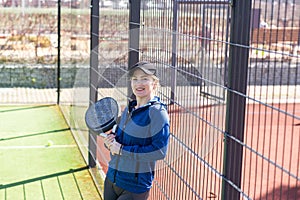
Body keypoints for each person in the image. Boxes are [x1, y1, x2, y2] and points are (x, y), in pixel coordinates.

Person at [103, 61, 170, 200]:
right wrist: (109, 141)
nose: (139, 83)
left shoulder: (157, 113)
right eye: (135, 79)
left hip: (134, 188)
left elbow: (159, 151)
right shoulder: (129, 108)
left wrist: (122, 150)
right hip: (112, 179)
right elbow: (119, 138)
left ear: (154, 83)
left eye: (144, 78)